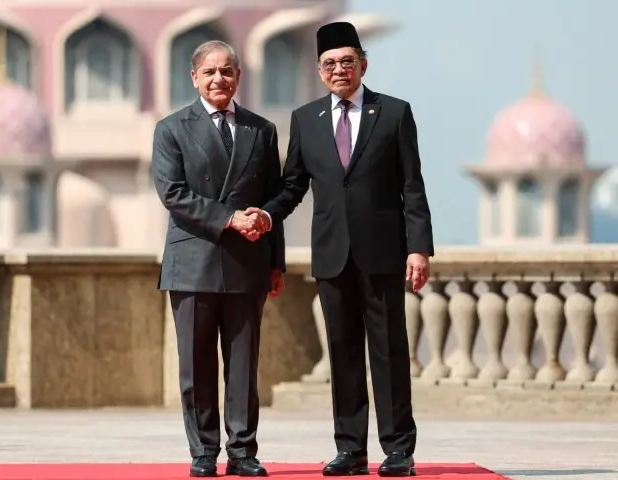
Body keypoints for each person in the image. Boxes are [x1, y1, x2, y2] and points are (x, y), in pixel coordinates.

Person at [247, 22, 434, 477]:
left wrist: (419, 248)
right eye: (329, 63)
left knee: (388, 352)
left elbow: (412, 186)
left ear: (363, 65)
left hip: (384, 254)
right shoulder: (305, 119)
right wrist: (267, 215)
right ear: (318, 70)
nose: (339, 70)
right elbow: (293, 186)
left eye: (347, 61)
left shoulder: (393, 113)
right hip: (332, 256)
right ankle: (350, 448)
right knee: (344, 353)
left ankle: (398, 450)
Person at [151, 39, 285, 478]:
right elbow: (173, 194)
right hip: (193, 262)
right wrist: (229, 218)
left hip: (248, 264)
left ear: (239, 76)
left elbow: (271, 202)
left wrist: (275, 262)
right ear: (194, 77)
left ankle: (243, 451)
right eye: (209, 72)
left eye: (226, 71)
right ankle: (203, 451)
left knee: (244, 365)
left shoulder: (261, 130)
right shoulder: (172, 128)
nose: (218, 79)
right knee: (197, 365)